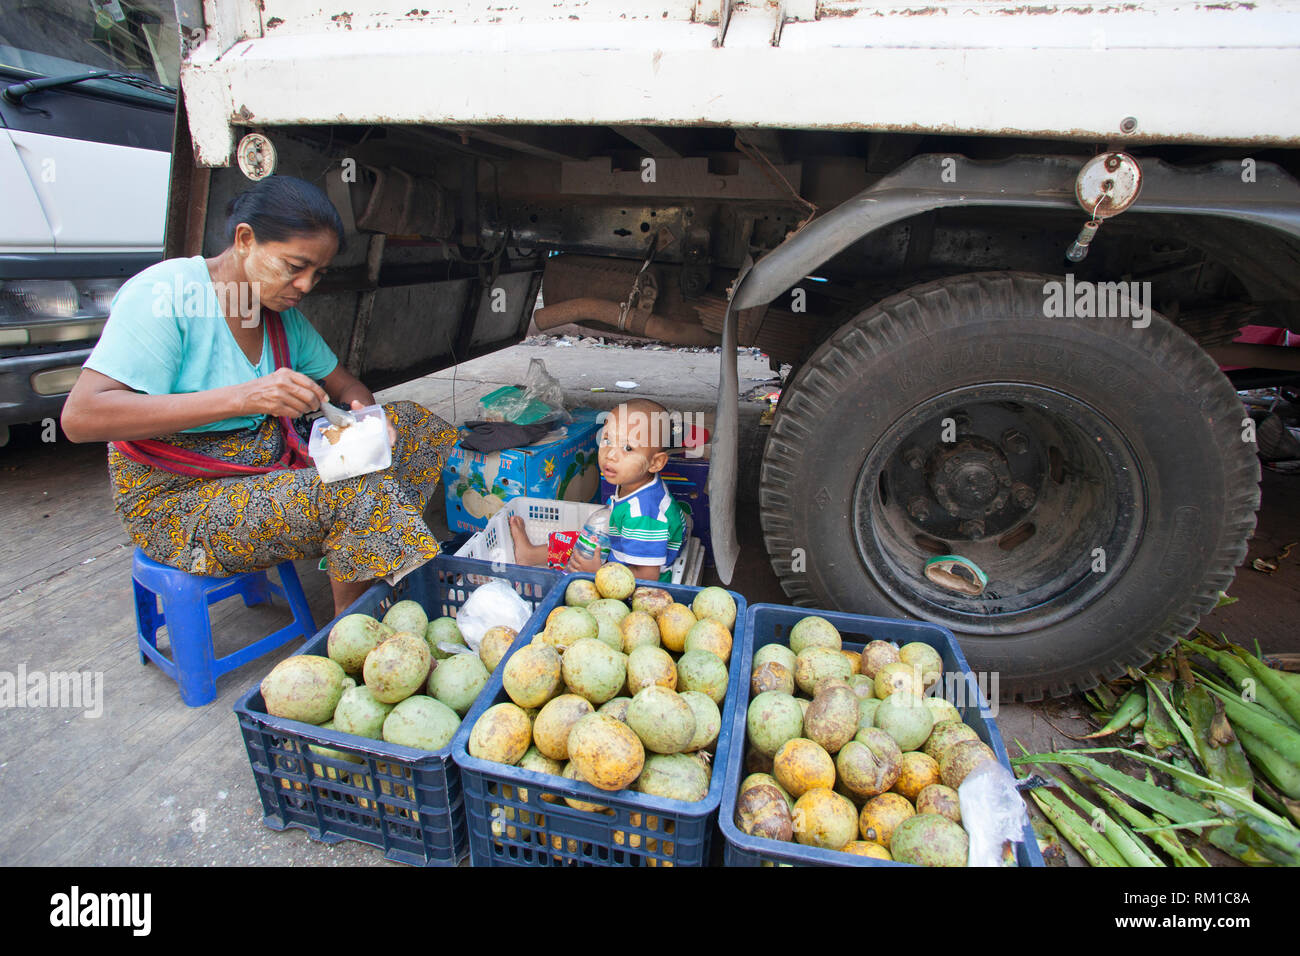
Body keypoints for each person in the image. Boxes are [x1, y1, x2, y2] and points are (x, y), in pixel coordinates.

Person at [60, 175, 459, 615]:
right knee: (360, 493)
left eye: (317, 273)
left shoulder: (277, 314)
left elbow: (345, 385)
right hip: (179, 500)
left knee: (415, 426)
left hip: (262, 469)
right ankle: (355, 634)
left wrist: (367, 417)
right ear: (245, 239)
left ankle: (366, 552)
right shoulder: (168, 293)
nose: (306, 285)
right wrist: (245, 397)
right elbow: (80, 417)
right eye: (294, 266)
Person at [508, 399, 686, 582]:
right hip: (620, 551)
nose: (610, 454)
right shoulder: (634, 480)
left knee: (579, 584)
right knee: (581, 541)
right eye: (607, 440)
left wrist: (598, 572)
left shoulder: (642, 515)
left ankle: (544, 562)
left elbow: (648, 577)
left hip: (633, 582)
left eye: (627, 448)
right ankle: (531, 555)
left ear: (656, 462)